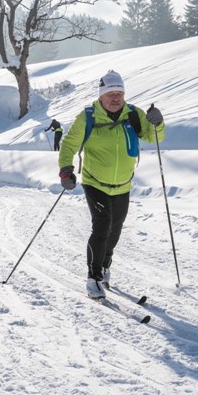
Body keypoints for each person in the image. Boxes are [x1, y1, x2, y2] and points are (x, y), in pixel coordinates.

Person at [57, 70, 165, 300]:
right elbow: (68, 145)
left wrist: (158, 122)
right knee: (102, 226)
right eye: (110, 94)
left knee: (115, 229)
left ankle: (105, 264)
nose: (115, 98)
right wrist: (66, 170)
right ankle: (93, 278)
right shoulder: (88, 117)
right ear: (101, 96)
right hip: (95, 182)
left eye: (119, 94)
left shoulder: (134, 114)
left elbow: (154, 137)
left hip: (123, 184)